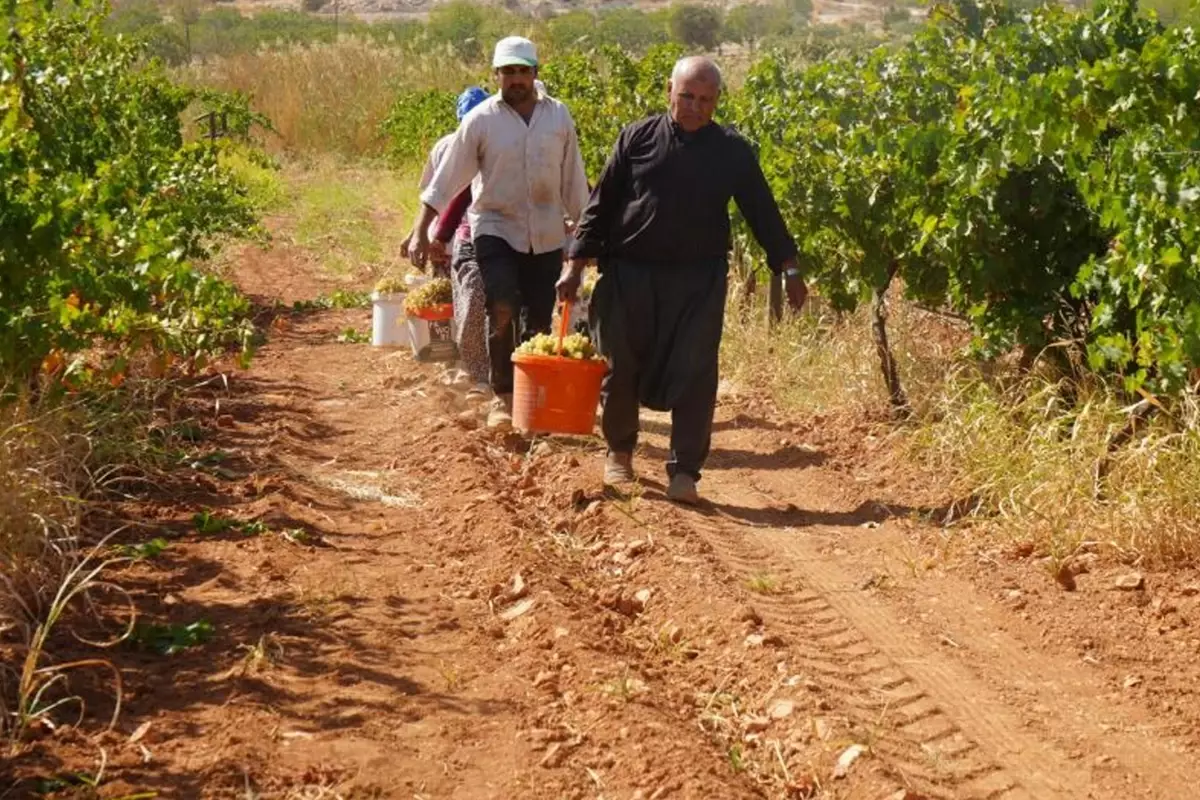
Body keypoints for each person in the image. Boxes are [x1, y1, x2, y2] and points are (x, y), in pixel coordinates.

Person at [557, 56, 808, 505]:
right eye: (687, 96)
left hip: (698, 280)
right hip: (630, 273)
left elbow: (762, 211)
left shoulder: (732, 151)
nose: (694, 106)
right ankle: (619, 452)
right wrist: (574, 264)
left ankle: (685, 471)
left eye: (705, 100)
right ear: (670, 92)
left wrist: (788, 267)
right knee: (621, 364)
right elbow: (601, 203)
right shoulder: (637, 138)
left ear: (716, 103)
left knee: (696, 370)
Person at [406, 36, 590, 432]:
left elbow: (574, 180)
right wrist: (422, 229)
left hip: (545, 233)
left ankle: (534, 403)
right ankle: (502, 398)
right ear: (497, 75)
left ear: (536, 73)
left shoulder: (559, 118)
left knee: (538, 318)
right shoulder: (482, 120)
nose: (516, 80)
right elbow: (446, 181)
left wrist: (587, 237)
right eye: (508, 72)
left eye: (523, 71)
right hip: (495, 227)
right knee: (501, 304)